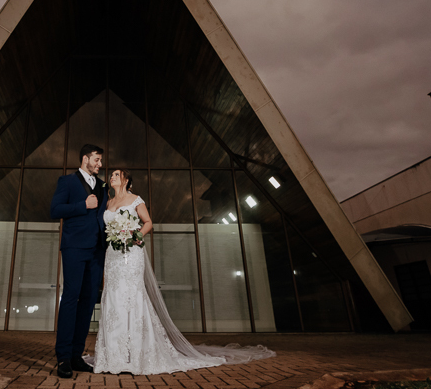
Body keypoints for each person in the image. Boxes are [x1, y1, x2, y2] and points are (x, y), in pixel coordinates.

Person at [92, 168, 276, 375]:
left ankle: (136, 354)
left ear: (125, 180)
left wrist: (136, 235)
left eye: (116, 175)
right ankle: (114, 356)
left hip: (131, 254)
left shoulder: (136, 200)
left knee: (131, 298)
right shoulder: (108, 203)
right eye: (111, 176)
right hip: (113, 256)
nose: (112, 177)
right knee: (114, 298)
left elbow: (148, 222)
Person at [49, 144, 108, 379]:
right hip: (74, 247)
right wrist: (82, 205)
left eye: (101, 161)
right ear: (85, 159)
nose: (100, 164)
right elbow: (55, 210)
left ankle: (76, 355)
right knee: (71, 298)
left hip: (97, 250)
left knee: (88, 301)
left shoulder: (103, 185)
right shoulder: (67, 181)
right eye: (97, 159)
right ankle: (63, 357)